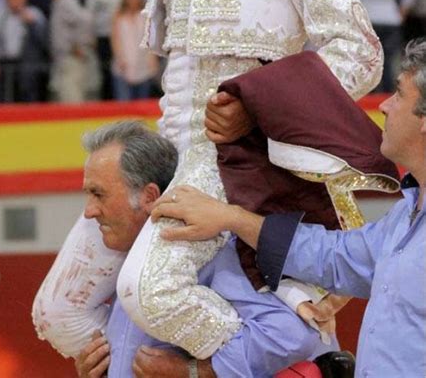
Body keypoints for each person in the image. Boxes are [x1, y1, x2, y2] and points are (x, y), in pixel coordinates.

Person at [29, 0, 382, 358]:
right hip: (167, 149)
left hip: (239, 155)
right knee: (58, 313)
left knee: (151, 293)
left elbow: (359, 53)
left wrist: (258, 106)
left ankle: (286, 355)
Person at [152, 38, 426, 378]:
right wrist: (232, 218)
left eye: (399, 94)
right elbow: (333, 256)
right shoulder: (406, 216)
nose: (384, 105)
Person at [33, 121, 337, 377]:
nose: (89, 211)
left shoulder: (211, 250)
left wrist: (193, 370)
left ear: (150, 195)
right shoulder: (126, 268)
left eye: (98, 194)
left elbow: (291, 336)